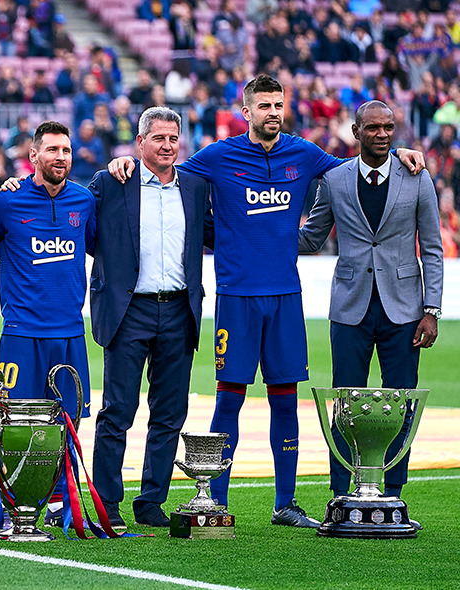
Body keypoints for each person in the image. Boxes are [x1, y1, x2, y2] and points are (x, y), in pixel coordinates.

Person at [105, 74, 426, 527]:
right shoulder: (216, 157)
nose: (273, 112)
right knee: (229, 401)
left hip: (285, 298)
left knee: (285, 400)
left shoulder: (305, 154)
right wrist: (126, 161)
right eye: (264, 105)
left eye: (279, 104)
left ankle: (286, 504)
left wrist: (398, 154)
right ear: (247, 111)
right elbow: (166, 173)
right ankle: (212, 500)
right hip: (236, 298)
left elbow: (358, 167)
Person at [298, 101, 443, 522]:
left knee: (400, 401)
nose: (383, 134)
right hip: (350, 307)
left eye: (389, 128)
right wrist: (258, 230)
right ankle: (341, 493)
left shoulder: (417, 177)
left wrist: (431, 310)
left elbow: (432, 250)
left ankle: (394, 493)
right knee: (346, 400)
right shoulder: (335, 178)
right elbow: (312, 238)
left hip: (405, 310)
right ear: (355, 131)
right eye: (374, 128)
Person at [86, 107, 213, 530]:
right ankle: (109, 502)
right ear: (139, 143)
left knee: (169, 413)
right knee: (117, 411)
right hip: (129, 310)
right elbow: (85, 233)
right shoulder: (111, 181)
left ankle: (152, 501)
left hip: (179, 309)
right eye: (158, 138)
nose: (167, 145)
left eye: (174, 138)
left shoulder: (194, 186)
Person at [0, 121, 95, 525]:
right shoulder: (6, 202)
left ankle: (59, 502)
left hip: (69, 332)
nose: (60, 157)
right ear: (33, 155)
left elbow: (95, 245)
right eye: (51, 150)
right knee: (16, 425)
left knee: (68, 421)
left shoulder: (84, 202)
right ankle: (15, 502)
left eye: (65, 150)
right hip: (21, 333)